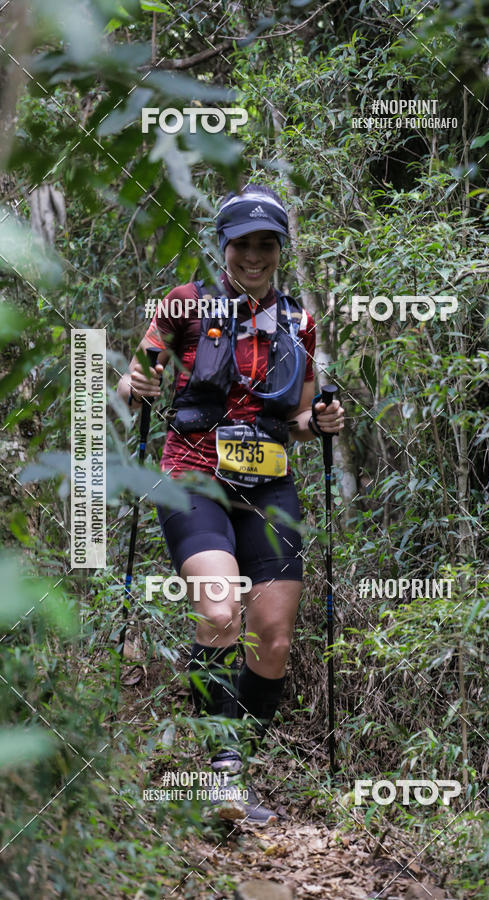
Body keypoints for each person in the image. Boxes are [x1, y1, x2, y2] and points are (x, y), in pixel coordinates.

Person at [117, 184, 344, 824]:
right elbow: (136, 385)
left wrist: (320, 422)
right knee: (220, 611)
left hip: (268, 484)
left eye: (265, 244)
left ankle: (237, 763)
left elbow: (299, 416)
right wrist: (137, 382)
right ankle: (218, 773)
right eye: (242, 243)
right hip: (193, 474)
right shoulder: (185, 305)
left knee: (271, 639)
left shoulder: (298, 320)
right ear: (224, 247)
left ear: (279, 249)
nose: (253, 255)